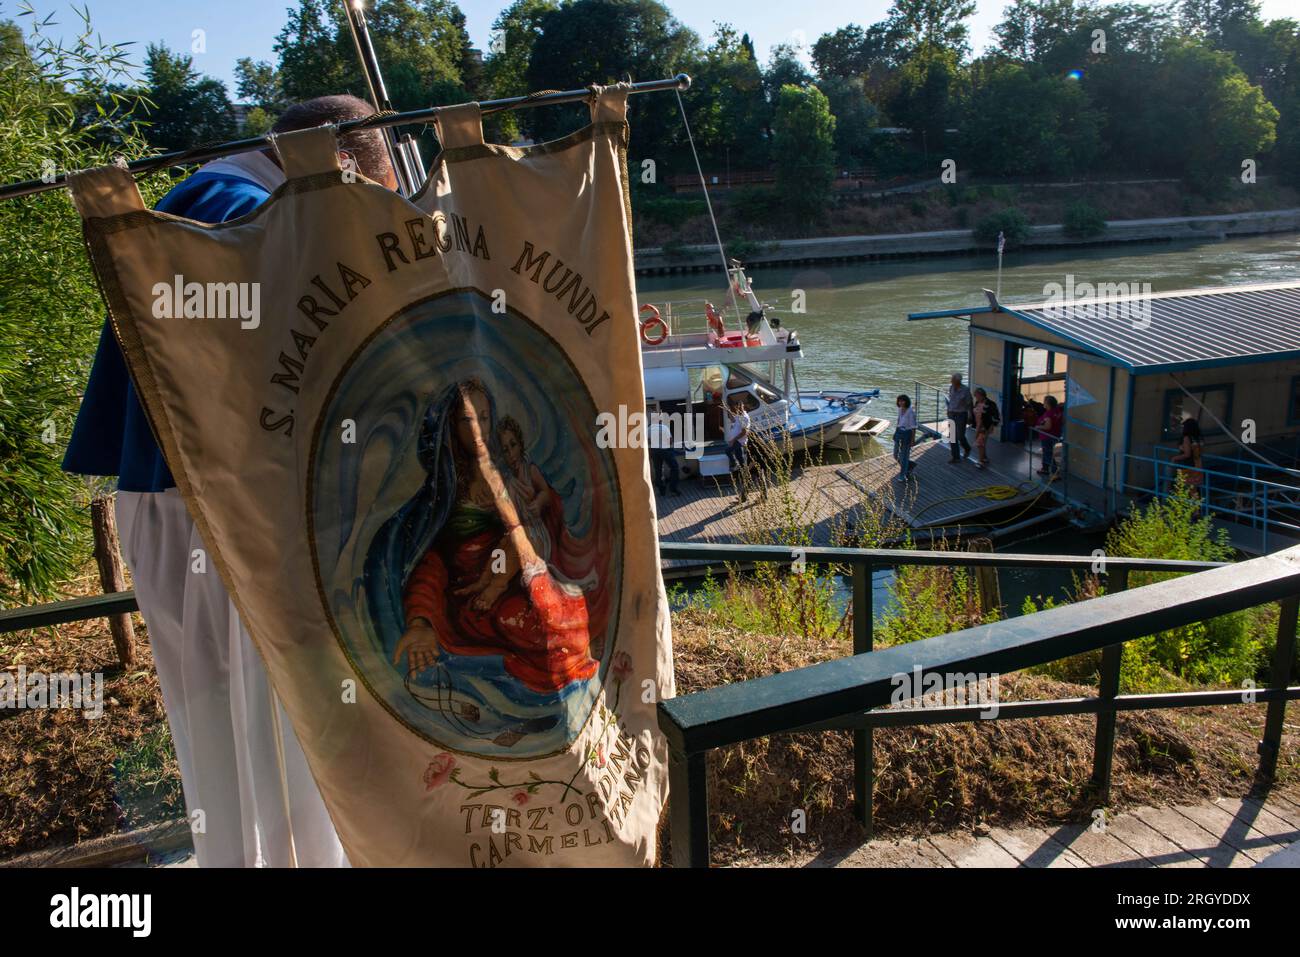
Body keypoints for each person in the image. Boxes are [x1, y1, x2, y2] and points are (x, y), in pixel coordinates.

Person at [61, 95, 399, 868]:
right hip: (223, 511)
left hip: (179, 503)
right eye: (361, 193)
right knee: (290, 736)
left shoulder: (210, 194)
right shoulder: (248, 211)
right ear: (335, 161)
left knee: (225, 739)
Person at [724, 396, 754, 501]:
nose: (738, 409)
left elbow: (744, 432)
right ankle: (741, 470)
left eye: (739, 406)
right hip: (737, 442)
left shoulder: (744, 417)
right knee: (741, 463)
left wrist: (733, 440)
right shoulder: (739, 416)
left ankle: (737, 467)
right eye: (737, 407)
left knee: (728, 451)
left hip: (740, 442)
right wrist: (727, 410)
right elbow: (733, 420)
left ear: (743, 406)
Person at [647, 408, 681, 496]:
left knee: (658, 470)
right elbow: (670, 441)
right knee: (674, 468)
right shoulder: (664, 428)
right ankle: (673, 488)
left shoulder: (649, 429)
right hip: (665, 450)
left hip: (654, 451)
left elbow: (648, 441)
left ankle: (661, 490)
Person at [1170, 416, 1204, 494]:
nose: (1182, 428)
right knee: (1193, 490)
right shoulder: (1198, 438)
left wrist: (1175, 458)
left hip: (1187, 466)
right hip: (1197, 466)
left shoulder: (1187, 438)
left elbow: (1187, 454)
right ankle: (1195, 505)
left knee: (1181, 488)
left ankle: (1180, 504)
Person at [946, 373, 973, 464]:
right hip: (952, 413)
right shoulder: (951, 388)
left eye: (953, 380)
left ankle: (967, 448)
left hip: (961, 414)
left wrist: (970, 414)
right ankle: (955, 457)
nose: (951, 381)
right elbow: (951, 400)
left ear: (958, 381)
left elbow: (969, 403)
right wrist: (949, 410)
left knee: (960, 436)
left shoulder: (965, 390)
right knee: (952, 436)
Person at [1034, 395, 1064, 477]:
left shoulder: (1049, 414)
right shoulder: (1057, 410)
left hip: (1047, 437)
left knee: (1048, 453)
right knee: (1046, 452)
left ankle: (1055, 472)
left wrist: (1038, 427)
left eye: (1045, 402)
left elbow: (1048, 426)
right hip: (1055, 434)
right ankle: (1045, 468)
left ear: (1048, 404)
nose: (1044, 404)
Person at [972, 387, 1000, 470]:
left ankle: (981, 461)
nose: (976, 398)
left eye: (976, 396)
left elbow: (996, 417)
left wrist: (991, 425)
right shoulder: (977, 402)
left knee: (980, 443)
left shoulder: (991, 404)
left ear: (981, 395)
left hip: (985, 427)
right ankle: (984, 457)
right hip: (978, 425)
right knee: (982, 443)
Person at [893, 394, 917, 481]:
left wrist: (912, 440)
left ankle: (902, 475)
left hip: (907, 433)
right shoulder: (899, 409)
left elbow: (913, 427)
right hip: (899, 431)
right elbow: (898, 420)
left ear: (906, 401)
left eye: (903, 401)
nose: (901, 403)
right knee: (895, 454)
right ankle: (909, 465)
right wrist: (896, 432)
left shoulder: (910, 412)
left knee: (904, 456)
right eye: (899, 401)